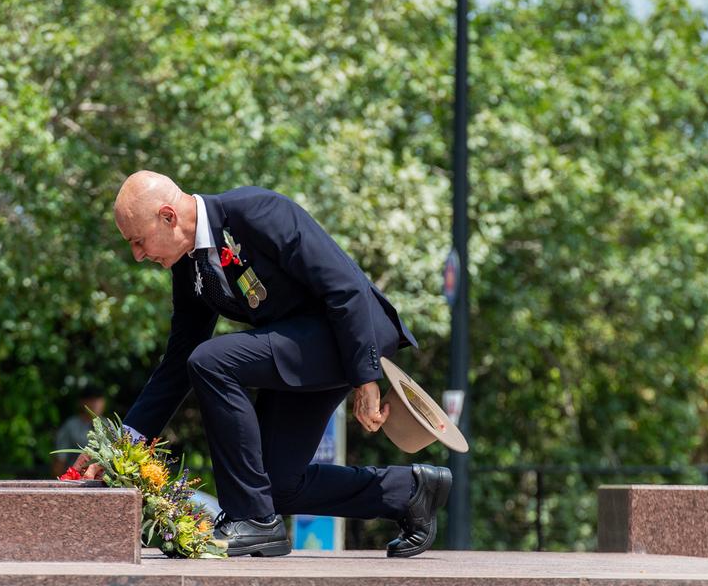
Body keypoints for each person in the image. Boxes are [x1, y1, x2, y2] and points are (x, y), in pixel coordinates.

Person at [71, 171, 451, 558]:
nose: (137, 255)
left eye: (138, 240)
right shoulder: (189, 267)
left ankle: (250, 518)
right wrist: (119, 446)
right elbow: (175, 364)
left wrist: (366, 378)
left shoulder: (256, 211)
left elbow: (345, 287)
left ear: (168, 216)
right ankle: (409, 491)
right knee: (274, 484)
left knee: (211, 361)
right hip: (300, 346)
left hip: (350, 333)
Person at [52, 386, 107, 477]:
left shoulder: (108, 426)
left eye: (99, 399)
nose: (96, 403)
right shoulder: (70, 426)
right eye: (91, 399)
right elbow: (59, 461)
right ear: (81, 402)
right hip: (76, 481)